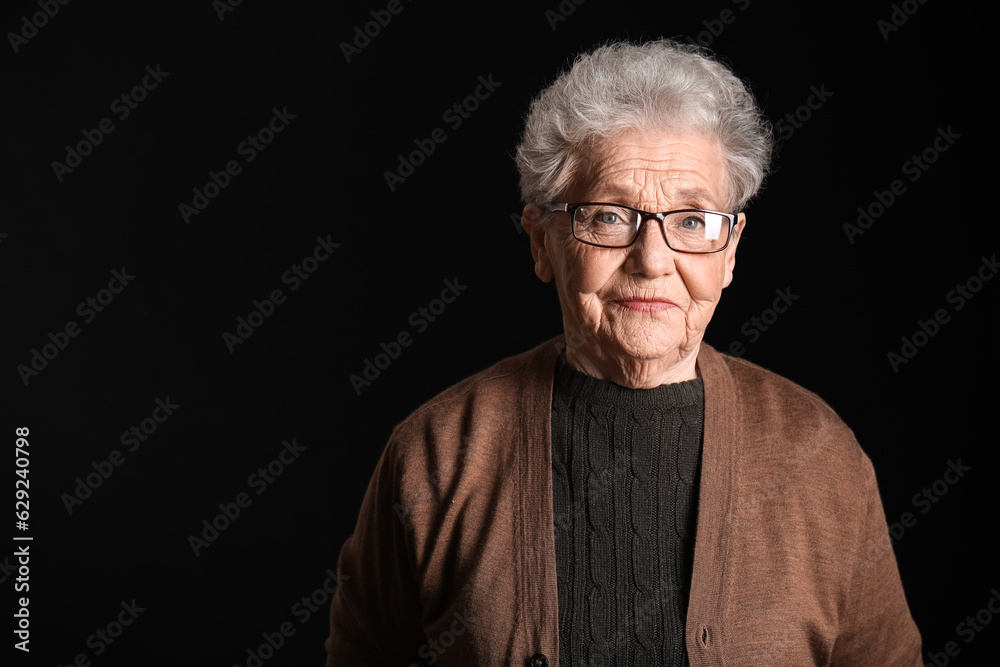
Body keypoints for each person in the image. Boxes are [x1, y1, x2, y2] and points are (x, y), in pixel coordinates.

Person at [325, 39, 922, 666]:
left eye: (692, 220)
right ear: (542, 242)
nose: (653, 261)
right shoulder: (435, 454)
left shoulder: (821, 455)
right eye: (611, 217)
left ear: (731, 250)